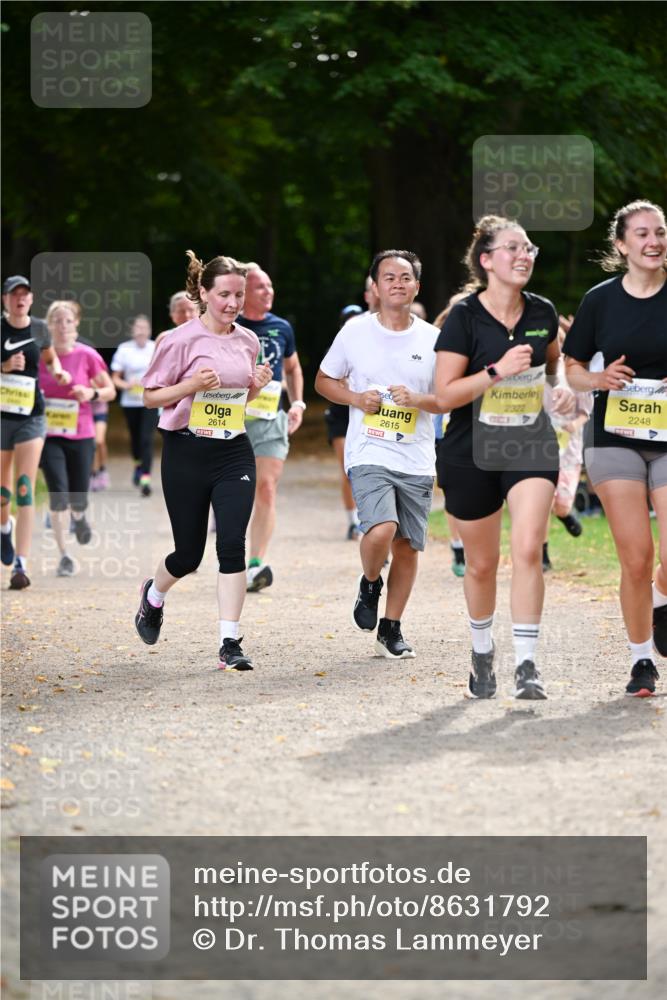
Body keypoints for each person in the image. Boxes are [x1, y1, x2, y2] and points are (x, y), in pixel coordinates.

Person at [434, 215, 572, 700]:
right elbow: (444, 395)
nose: (524, 255)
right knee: (481, 565)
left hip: (529, 444)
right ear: (487, 260)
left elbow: (554, 370)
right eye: (513, 248)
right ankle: (481, 652)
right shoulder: (463, 319)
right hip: (470, 451)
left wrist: (561, 393)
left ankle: (528, 665)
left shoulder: (542, 312)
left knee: (529, 548)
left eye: (529, 248)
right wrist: (494, 371)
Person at [135, 252, 272, 670]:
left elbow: (235, 401)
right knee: (189, 555)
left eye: (238, 295)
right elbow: (150, 397)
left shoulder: (248, 341)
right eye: (225, 294)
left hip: (233, 449)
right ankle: (153, 596)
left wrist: (257, 386)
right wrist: (191, 384)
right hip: (186, 450)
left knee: (232, 543)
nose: (232, 303)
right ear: (204, 293)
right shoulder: (178, 340)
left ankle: (229, 642)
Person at [563, 199, 667, 698]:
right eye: (643, 234)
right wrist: (599, 378)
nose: (654, 242)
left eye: (661, 233)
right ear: (622, 245)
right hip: (615, 438)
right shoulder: (600, 300)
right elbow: (572, 367)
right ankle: (641, 660)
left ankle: (662, 601)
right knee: (636, 557)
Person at [315, 249, 440, 659]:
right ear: (375, 286)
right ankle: (370, 582)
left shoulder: (433, 340)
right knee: (382, 529)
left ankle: (392, 626)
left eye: (406, 277)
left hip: (417, 456)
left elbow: (447, 398)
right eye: (389, 277)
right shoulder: (354, 332)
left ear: (417, 286)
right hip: (369, 449)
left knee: (407, 546)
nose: (398, 284)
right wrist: (356, 397)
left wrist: (419, 399)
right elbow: (323, 380)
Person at [238, 264, 306, 592]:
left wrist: (298, 403)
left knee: (266, 487)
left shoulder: (281, 327)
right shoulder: (228, 326)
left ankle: (255, 564)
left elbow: (293, 368)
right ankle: (229, 559)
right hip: (231, 420)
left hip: (270, 419)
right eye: (260, 287)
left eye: (270, 285)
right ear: (243, 293)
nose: (268, 292)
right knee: (234, 493)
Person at [1, 275, 70, 589]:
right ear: (4, 299)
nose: (20, 299)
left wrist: (57, 370)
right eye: (14, 295)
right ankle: (5, 529)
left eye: (25, 295)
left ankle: (21, 564)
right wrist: (3, 368)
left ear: (31, 299)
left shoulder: (39, 328)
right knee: (3, 492)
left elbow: (49, 356)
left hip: (31, 415)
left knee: (25, 485)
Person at [39, 301, 116, 576]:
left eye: (67, 320)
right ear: (48, 326)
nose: (62, 326)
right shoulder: (40, 356)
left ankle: (80, 517)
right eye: (56, 321)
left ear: (76, 324)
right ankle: (65, 555)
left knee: (78, 495)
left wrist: (91, 393)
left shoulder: (87, 355)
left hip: (81, 433)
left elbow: (109, 391)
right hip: (47, 435)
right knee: (58, 492)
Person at [541, 319, 593, 571]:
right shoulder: (534, 372)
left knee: (560, 503)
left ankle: (565, 514)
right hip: (539, 448)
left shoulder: (573, 374)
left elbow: (586, 411)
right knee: (543, 502)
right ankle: (543, 554)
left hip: (568, 448)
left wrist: (575, 424)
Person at [433, 294, 469, 578]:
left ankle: (473, 546)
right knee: (453, 492)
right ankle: (458, 546)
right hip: (443, 431)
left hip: (479, 428)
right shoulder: (438, 343)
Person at [324, 304, 364, 540]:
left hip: (365, 413)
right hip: (341, 416)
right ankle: (352, 522)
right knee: (348, 470)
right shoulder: (336, 349)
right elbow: (327, 380)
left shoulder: (373, 348)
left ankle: (367, 518)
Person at [111, 315, 158, 496]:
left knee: (146, 439)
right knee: (135, 438)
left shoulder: (155, 348)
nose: (140, 331)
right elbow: (115, 378)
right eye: (137, 327)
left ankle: (145, 478)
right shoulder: (124, 349)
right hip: (130, 402)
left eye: (144, 327)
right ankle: (138, 464)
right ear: (132, 331)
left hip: (150, 401)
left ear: (149, 330)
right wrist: (126, 385)